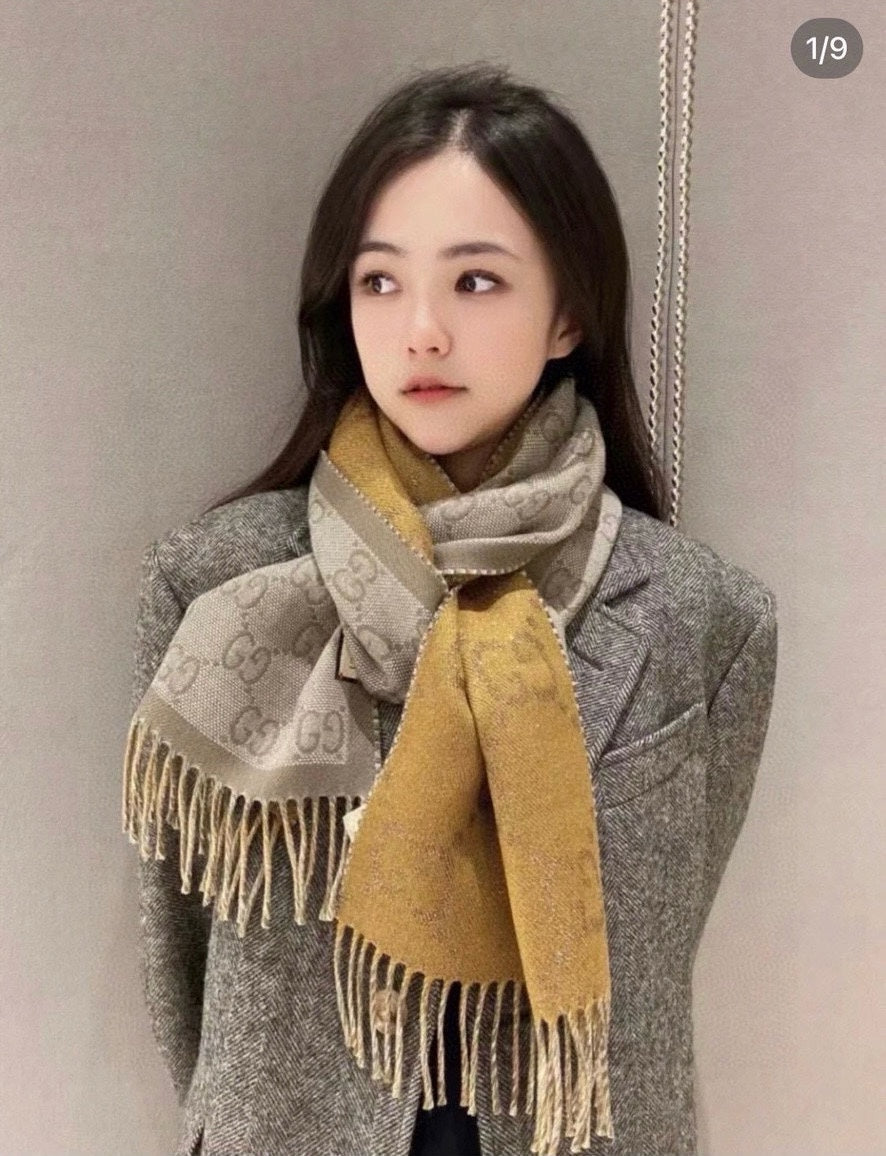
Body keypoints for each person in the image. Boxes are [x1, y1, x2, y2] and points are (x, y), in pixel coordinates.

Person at [122, 62, 779, 1156]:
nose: (421, 330)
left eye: (475, 281)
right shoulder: (218, 587)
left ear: (568, 313)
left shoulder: (703, 620)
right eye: (380, 282)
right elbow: (177, 946)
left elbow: (663, 955)